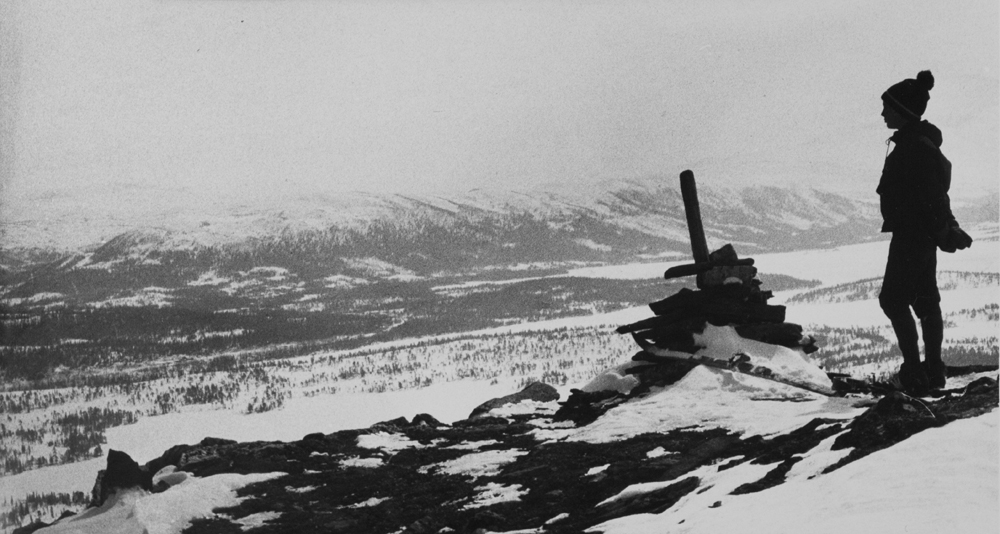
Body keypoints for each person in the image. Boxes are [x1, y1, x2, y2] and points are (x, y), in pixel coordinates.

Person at [876, 70, 967, 395]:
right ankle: (931, 371)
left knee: (893, 300)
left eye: (888, 107)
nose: (883, 113)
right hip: (920, 236)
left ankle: (916, 374)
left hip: (911, 236)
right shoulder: (918, 143)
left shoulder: (914, 147)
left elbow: (933, 196)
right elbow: (936, 195)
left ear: (903, 110)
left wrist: (947, 227)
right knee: (925, 301)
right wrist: (946, 230)